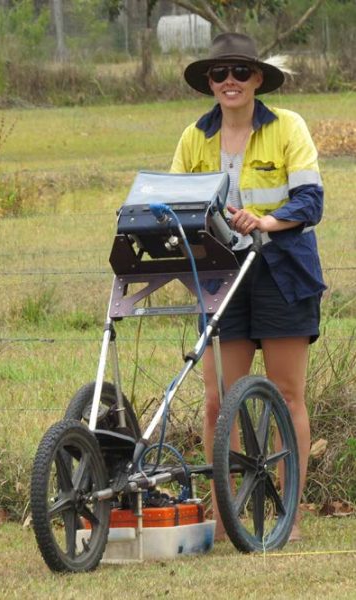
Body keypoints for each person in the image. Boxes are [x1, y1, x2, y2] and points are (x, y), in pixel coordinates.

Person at [171, 32, 325, 542]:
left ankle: (289, 515)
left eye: (240, 71)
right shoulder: (194, 137)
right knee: (219, 400)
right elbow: (174, 206)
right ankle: (225, 516)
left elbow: (309, 203)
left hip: (281, 272)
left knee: (286, 394)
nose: (229, 81)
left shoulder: (288, 127)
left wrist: (264, 220)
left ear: (258, 78)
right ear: (209, 83)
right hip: (220, 277)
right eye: (219, 73)